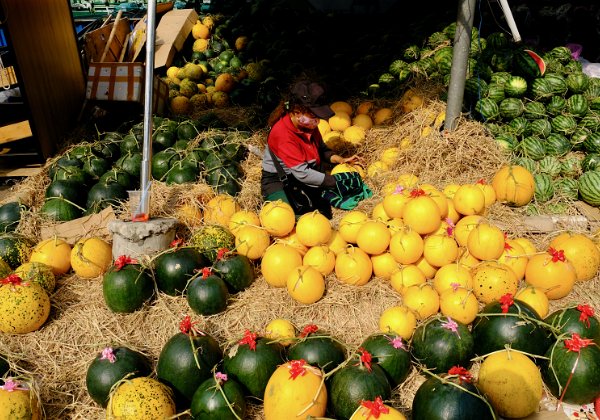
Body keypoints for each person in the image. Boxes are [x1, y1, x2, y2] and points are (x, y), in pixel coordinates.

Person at [261, 80, 362, 218]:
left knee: (325, 213)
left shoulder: (309, 126)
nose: (318, 122)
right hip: (280, 179)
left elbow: (322, 149)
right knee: (285, 218)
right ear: (297, 113)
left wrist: (339, 159)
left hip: (307, 173)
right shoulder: (283, 134)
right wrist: (333, 181)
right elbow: (302, 173)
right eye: (314, 117)